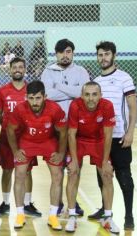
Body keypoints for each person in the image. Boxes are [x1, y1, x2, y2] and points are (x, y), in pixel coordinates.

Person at [89, 41, 137, 230]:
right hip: (102, 139)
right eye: (100, 55)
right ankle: (105, 209)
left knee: (125, 178)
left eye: (107, 54)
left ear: (114, 56)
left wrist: (130, 132)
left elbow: (133, 108)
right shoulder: (97, 82)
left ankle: (129, 215)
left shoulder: (124, 78)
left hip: (119, 137)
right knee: (103, 176)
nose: (103, 58)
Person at [7, 80, 67, 230]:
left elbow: (64, 132)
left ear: (45, 96)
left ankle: (53, 216)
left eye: (38, 98)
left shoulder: (55, 109)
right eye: (31, 98)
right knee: (20, 174)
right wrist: (15, 151)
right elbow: (10, 130)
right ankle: (20, 214)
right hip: (27, 141)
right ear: (26, 97)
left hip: (48, 141)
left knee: (57, 175)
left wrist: (60, 153)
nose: (34, 102)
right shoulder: (20, 109)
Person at [41, 38, 90, 216]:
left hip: (77, 129)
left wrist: (59, 86)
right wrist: (72, 90)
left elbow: (83, 94)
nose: (65, 55)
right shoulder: (48, 71)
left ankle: (73, 203)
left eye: (68, 51)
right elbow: (47, 95)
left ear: (73, 53)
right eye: (61, 52)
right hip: (55, 129)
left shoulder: (81, 71)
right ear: (56, 54)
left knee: (75, 168)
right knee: (57, 169)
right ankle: (58, 203)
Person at [65, 81, 119, 233]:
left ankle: (107, 217)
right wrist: (74, 161)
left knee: (107, 176)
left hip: (99, 141)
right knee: (73, 174)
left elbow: (108, 135)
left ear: (100, 96)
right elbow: (71, 134)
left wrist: (105, 161)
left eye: (94, 95)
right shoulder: (75, 106)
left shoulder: (107, 106)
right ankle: (72, 215)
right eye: (87, 95)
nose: (90, 98)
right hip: (79, 140)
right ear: (81, 96)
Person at [0, 57, 41, 217]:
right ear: (10, 69)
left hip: (27, 138)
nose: (18, 70)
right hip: (8, 137)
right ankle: (5, 203)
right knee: (7, 170)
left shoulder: (31, 90)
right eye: (15, 67)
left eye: (21, 67)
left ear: (25, 69)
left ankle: (27, 203)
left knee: (27, 171)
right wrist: (7, 127)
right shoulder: (2, 91)